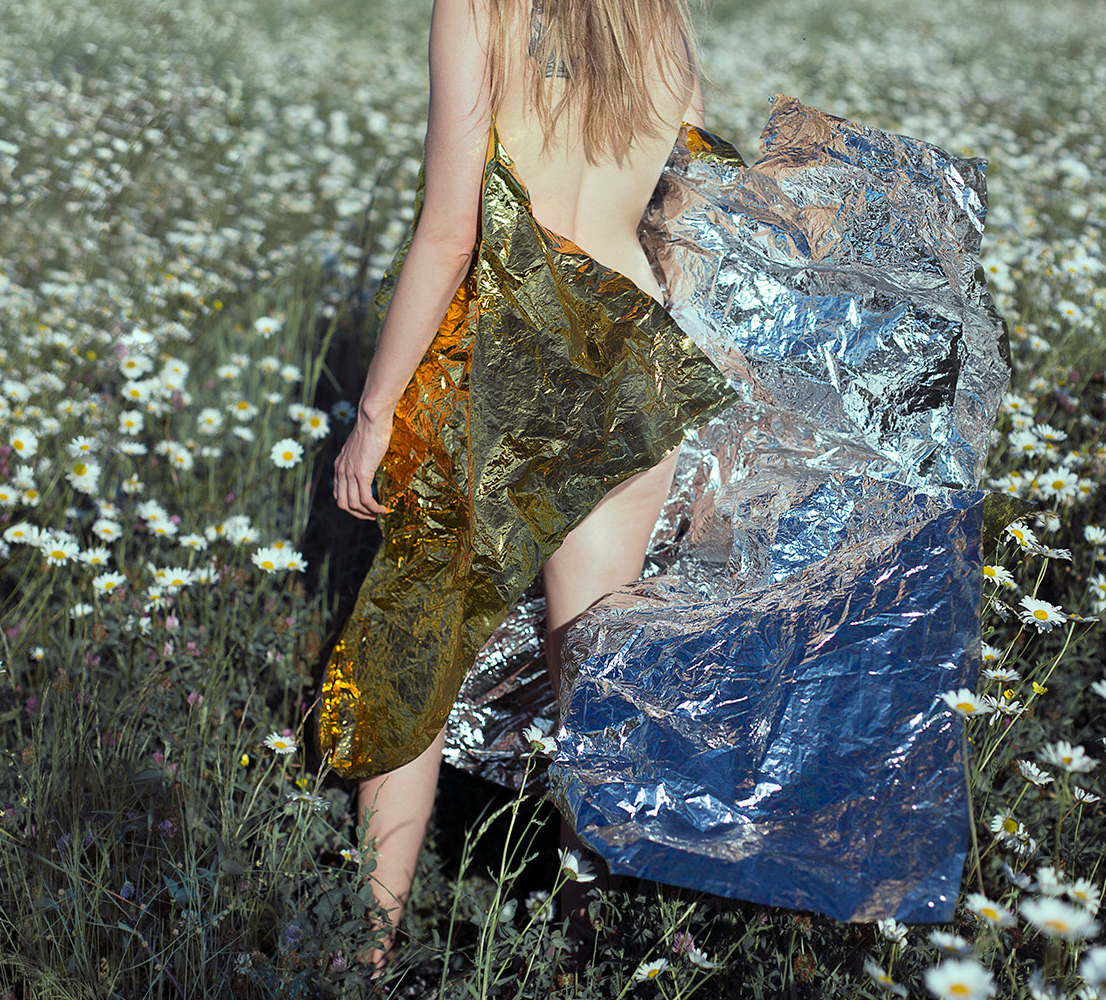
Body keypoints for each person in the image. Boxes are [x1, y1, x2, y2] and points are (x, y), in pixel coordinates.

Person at [326, 0, 723, 971]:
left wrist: (374, 412)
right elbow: (692, 216)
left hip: (508, 359)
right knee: (593, 686)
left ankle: (361, 958)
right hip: (635, 357)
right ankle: (586, 957)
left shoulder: (480, 8)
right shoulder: (661, 18)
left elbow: (449, 233)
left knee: (412, 668)